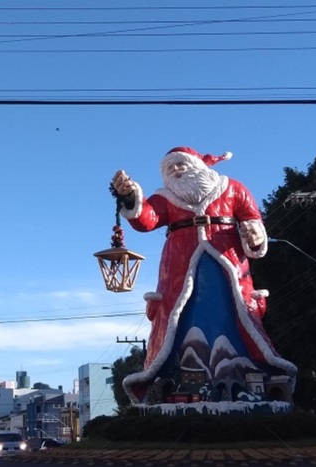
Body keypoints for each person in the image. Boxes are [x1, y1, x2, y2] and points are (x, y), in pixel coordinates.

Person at [111, 147, 296, 404]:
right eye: (170, 168)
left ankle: (241, 371)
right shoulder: (165, 198)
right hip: (179, 267)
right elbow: (147, 219)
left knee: (234, 313)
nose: (176, 171)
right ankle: (184, 378)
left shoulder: (232, 188)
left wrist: (254, 233)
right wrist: (131, 196)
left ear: (199, 165)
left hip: (228, 262)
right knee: (181, 318)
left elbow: (252, 217)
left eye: (181, 165)